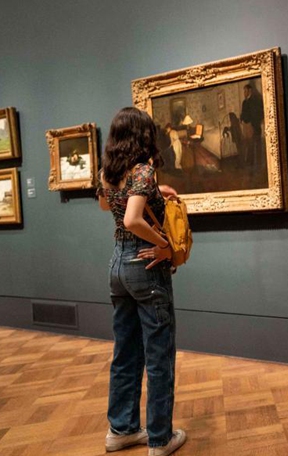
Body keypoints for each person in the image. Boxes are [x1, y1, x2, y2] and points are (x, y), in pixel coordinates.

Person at [97, 107, 187, 456]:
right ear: (143, 135)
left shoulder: (109, 170)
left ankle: (121, 430)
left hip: (117, 264)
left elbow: (109, 206)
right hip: (145, 266)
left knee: (125, 353)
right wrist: (164, 245)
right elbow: (134, 218)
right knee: (159, 355)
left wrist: (153, 190)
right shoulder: (143, 170)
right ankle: (160, 440)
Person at [240, 84, 264, 166]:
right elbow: (243, 113)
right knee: (247, 143)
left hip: (251, 125)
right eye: (244, 91)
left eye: (246, 91)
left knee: (253, 143)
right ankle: (249, 161)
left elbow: (255, 114)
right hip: (245, 125)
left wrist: (253, 125)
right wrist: (241, 119)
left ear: (250, 91)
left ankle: (254, 162)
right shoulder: (244, 102)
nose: (244, 93)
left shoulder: (254, 101)